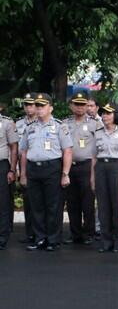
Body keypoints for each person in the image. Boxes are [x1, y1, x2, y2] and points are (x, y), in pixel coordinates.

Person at [19, 93, 73, 251]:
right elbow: (24, 151)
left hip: (52, 168)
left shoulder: (59, 126)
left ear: (51, 108)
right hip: (33, 168)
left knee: (53, 205)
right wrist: (23, 174)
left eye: (42, 105)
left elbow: (67, 151)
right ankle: (40, 238)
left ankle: (53, 239)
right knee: (36, 205)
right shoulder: (30, 127)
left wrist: (65, 173)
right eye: (37, 105)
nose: (39, 108)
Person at [63, 92, 99, 244]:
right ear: (71, 106)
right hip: (70, 167)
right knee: (72, 202)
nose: (80, 107)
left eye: (83, 104)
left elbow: (99, 146)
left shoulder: (94, 124)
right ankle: (75, 233)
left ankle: (89, 233)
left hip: (87, 166)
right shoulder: (65, 123)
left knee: (87, 202)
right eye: (77, 104)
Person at [94, 103, 118, 253]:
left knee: (117, 204)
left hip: (117, 167)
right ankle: (105, 241)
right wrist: (92, 177)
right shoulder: (98, 132)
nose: (105, 116)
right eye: (103, 113)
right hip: (101, 167)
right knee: (103, 205)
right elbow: (94, 156)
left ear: (116, 115)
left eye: (108, 113)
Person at [15, 93, 37, 244]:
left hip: (38, 165)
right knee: (28, 202)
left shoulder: (43, 122)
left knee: (40, 202)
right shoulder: (18, 124)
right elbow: (16, 148)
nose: (28, 108)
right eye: (26, 105)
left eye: (31, 105)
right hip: (24, 165)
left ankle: (41, 233)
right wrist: (16, 168)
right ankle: (30, 233)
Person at [0, 111, 18, 249]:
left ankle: (2, 236)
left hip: (2, 165)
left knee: (3, 201)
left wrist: (12, 169)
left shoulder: (7, 123)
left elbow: (13, 147)